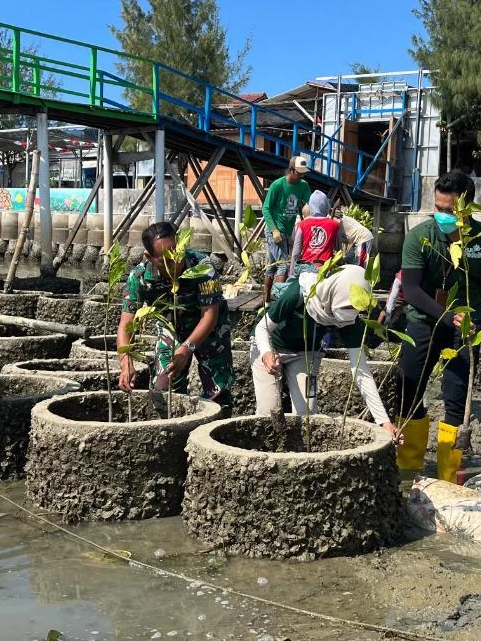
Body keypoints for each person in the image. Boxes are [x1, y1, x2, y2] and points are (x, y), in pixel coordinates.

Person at [396, 170, 481, 484]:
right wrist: (444, 315)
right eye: (438, 208)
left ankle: (448, 475)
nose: (442, 215)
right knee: (408, 388)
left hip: (467, 327)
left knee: (456, 395)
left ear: (467, 208)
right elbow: (412, 290)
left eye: (449, 210)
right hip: (424, 321)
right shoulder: (421, 237)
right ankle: (408, 469)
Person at [251, 264, 400, 442]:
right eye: (344, 307)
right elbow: (262, 328)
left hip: (306, 354)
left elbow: (360, 372)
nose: (345, 314)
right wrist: (267, 353)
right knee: (268, 413)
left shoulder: (349, 320)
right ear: (333, 292)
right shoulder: (303, 292)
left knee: (308, 416)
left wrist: (384, 421)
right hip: (270, 345)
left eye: (353, 309)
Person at [117, 221, 234, 408]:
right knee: (163, 390)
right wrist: (125, 360)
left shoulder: (202, 267)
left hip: (210, 329)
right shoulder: (139, 276)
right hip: (170, 328)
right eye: (166, 260)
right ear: (149, 256)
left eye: (176, 254)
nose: (175, 264)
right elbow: (125, 325)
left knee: (218, 393)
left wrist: (187, 348)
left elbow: (209, 316)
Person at [262, 155, 313, 301]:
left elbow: (310, 203)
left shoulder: (303, 186)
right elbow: (266, 209)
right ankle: (279, 301)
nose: (302, 175)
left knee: (272, 265)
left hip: (286, 230)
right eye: (299, 172)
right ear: (291, 170)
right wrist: (274, 229)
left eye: (303, 173)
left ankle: (266, 301)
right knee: (283, 265)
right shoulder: (277, 185)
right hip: (275, 231)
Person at [288, 191, 344, 279]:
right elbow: (338, 250)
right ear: (326, 205)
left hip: (305, 270)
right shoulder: (335, 225)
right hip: (325, 270)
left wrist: (291, 275)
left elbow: (296, 253)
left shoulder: (302, 225)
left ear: (311, 206)